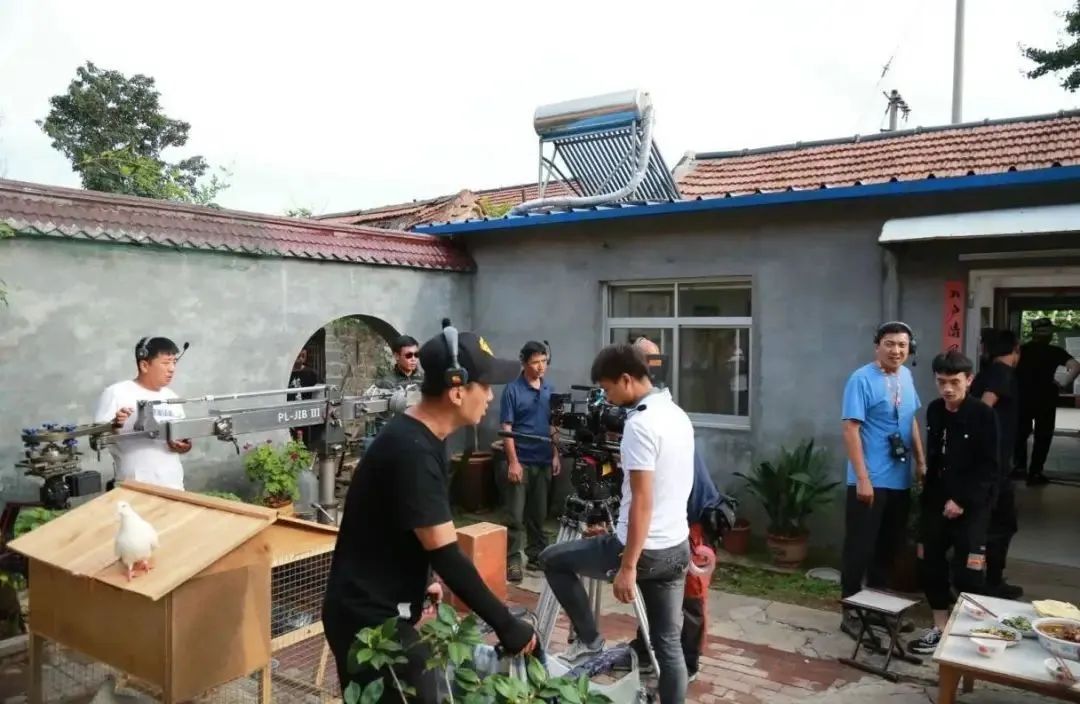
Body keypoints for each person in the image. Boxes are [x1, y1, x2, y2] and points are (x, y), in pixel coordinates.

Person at [322, 324, 536, 702]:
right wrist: (507, 625)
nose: (490, 396)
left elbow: (416, 525)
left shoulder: (425, 437)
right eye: (485, 386)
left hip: (385, 607)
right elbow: (447, 554)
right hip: (369, 624)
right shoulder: (413, 451)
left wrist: (424, 579)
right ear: (457, 391)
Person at [539, 343, 694, 704]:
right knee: (668, 644)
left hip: (641, 550)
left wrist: (628, 566)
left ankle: (590, 641)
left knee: (551, 560)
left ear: (626, 379)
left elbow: (642, 501)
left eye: (607, 389)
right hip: (676, 546)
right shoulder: (677, 415)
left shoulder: (640, 425)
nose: (606, 399)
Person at [628, 336, 717, 682]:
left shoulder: (659, 411)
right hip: (667, 517)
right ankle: (644, 649)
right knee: (653, 586)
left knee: (689, 594)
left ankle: (688, 661)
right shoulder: (643, 411)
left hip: (691, 516)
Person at [839, 322, 926, 643]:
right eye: (890, 344)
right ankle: (850, 611)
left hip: (899, 480)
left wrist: (921, 461)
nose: (896, 350)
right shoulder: (861, 379)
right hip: (870, 480)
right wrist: (862, 478)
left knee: (887, 549)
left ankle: (877, 610)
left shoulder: (906, 377)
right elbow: (850, 430)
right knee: (859, 547)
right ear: (877, 345)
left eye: (902, 345)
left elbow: (910, 420)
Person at [908, 351, 998, 654]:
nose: (947, 388)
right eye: (941, 381)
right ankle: (939, 628)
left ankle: (968, 634)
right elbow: (935, 457)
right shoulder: (935, 410)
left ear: (969, 380)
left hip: (972, 503)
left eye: (955, 382)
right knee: (929, 563)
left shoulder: (983, 414)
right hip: (936, 499)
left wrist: (961, 500)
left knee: (969, 571)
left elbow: (990, 466)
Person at [93, 336, 192, 491]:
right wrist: (114, 425)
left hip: (174, 487)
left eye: (174, 362)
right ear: (144, 365)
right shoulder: (116, 393)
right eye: (166, 363)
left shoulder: (173, 397)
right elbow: (95, 442)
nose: (172, 368)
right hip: (133, 487)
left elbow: (183, 444)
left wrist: (183, 446)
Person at [499, 340, 560, 583]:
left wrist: (555, 455)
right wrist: (513, 462)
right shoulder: (512, 390)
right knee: (515, 515)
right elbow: (506, 428)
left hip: (543, 460)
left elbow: (553, 425)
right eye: (535, 362)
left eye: (544, 361)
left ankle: (536, 556)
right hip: (521, 460)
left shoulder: (550, 389)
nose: (541, 366)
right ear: (524, 363)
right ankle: (513, 559)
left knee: (538, 514)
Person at [971, 329, 1024, 599]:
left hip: (990, 463)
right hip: (994, 466)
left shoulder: (987, 373)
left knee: (991, 524)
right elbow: (984, 408)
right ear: (1015, 349)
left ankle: (983, 579)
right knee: (1001, 525)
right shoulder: (1001, 373)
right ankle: (990, 581)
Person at [1014, 318, 1080, 485]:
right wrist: (1063, 383)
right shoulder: (1055, 351)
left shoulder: (1021, 350)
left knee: (1020, 433)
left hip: (1022, 397)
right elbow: (1076, 366)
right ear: (1049, 334)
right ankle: (1035, 472)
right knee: (1043, 435)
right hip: (1046, 398)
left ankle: (1019, 468)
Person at [287, 348, 320, 444]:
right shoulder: (286, 374)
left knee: (303, 437)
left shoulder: (311, 373)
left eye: (303, 356)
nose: (300, 358)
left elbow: (319, 389)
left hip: (304, 411)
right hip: (289, 411)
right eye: (298, 355)